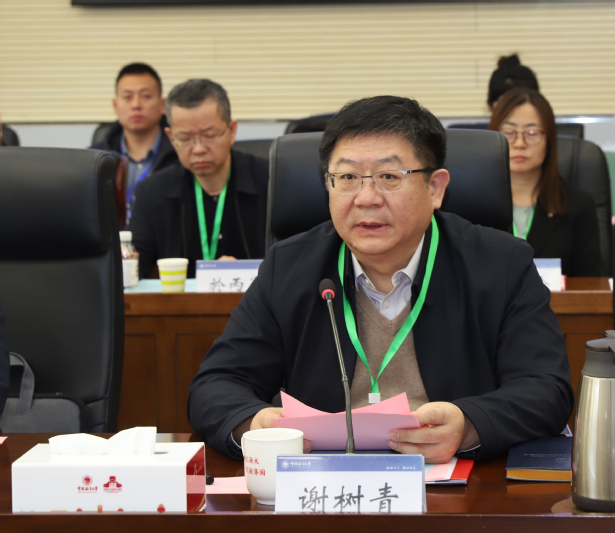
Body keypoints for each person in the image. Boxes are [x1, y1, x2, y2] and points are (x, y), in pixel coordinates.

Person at [188, 95, 573, 463]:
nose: (366, 197)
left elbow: (546, 389)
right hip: (324, 484)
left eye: (389, 176)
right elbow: (214, 386)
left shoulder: (501, 264)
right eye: (347, 177)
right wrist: (255, 423)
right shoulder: (289, 267)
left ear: (435, 188)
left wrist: (469, 424)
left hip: (455, 485)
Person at [128, 79, 268, 279]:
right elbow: (135, 266)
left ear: (232, 131)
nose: (199, 149)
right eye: (185, 138)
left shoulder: (272, 183)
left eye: (209, 135)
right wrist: (127, 261)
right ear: (171, 137)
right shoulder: (152, 193)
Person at [489, 87, 601, 277]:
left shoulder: (578, 206)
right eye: (509, 132)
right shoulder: (470, 206)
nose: (519, 143)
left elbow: (591, 285)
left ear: (549, 140)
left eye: (532, 133)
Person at [91, 63, 179, 216]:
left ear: (162, 105)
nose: (136, 105)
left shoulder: (180, 156)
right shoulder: (95, 158)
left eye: (146, 96)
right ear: (115, 106)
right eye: (127, 97)